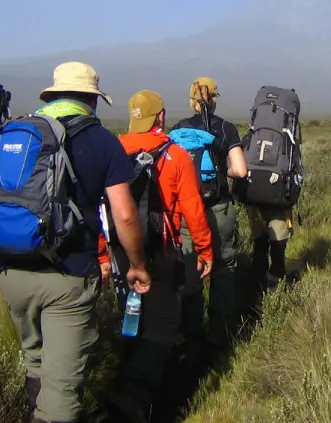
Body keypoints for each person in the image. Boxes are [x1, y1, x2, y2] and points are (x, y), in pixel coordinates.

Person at [0, 61, 152, 423]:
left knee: (34, 360)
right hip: (67, 277)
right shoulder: (102, 141)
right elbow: (126, 215)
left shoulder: (16, 133)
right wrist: (137, 265)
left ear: (52, 95)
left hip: (12, 271)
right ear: (92, 100)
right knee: (63, 392)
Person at [106, 89, 214, 423]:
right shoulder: (176, 154)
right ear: (161, 117)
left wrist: (101, 253)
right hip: (161, 250)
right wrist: (204, 247)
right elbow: (193, 207)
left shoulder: (114, 150)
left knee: (129, 314)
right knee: (162, 323)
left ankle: (123, 377)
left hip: (121, 251)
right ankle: (137, 397)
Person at [169, 77, 248, 367]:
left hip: (187, 213)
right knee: (224, 269)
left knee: (189, 271)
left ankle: (191, 337)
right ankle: (220, 336)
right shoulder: (225, 127)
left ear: (191, 100)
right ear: (214, 98)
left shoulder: (178, 130)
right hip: (219, 209)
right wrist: (224, 168)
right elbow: (239, 170)